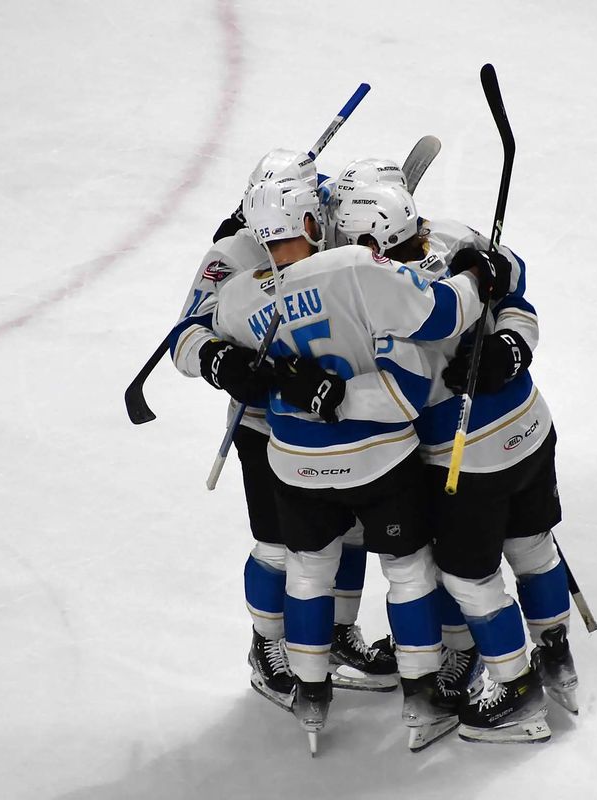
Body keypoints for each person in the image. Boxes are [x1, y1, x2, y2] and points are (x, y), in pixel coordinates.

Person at [210, 176, 509, 753]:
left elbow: (199, 332)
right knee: (409, 570)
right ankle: (423, 701)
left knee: (303, 567)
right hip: (379, 460)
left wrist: (238, 366)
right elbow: (441, 316)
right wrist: (478, 274)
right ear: (310, 225)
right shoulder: (355, 266)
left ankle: (310, 698)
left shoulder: (241, 293)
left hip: (293, 462)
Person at [334, 180, 579, 745]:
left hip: (470, 461)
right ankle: (557, 656)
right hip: (532, 428)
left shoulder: (382, 298)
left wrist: (313, 394)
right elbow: (514, 284)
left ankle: (516, 689)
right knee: (533, 546)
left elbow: (403, 397)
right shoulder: (456, 236)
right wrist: (512, 345)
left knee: (467, 577)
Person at [166, 150, 396, 711]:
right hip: (263, 427)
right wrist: (224, 362)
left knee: (348, 534)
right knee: (276, 545)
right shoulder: (230, 255)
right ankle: (266, 648)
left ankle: (337, 634)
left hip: (333, 423)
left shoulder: (334, 241)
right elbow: (186, 336)